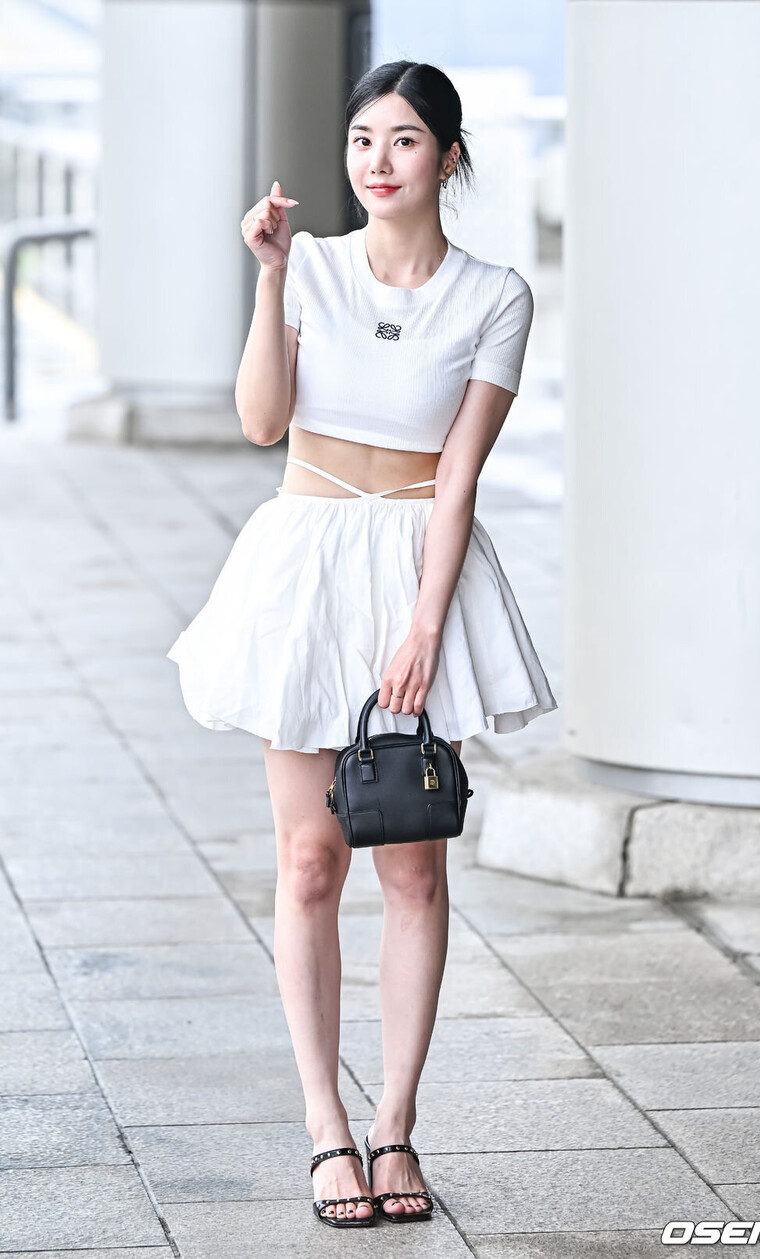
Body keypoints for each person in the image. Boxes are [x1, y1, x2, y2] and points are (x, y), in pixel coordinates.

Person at [166, 60, 557, 1229]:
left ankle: (394, 1126)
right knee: (308, 859)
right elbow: (257, 421)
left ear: (447, 155)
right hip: (304, 560)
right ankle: (322, 1126)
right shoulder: (311, 268)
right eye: (359, 142)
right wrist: (271, 278)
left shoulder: (496, 295)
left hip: (415, 567)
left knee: (412, 859)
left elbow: (459, 478)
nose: (375, 162)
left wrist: (426, 623)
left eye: (400, 141)